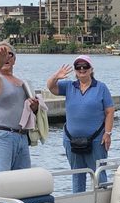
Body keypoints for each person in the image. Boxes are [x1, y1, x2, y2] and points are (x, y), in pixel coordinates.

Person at [47, 55, 114, 192]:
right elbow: (51, 87)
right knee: (77, 175)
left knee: (99, 175)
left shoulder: (101, 88)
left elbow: (110, 111)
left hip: (96, 141)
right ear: (75, 70)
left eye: (85, 66)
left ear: (91, 69)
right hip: (71, 140)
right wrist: (56, 76)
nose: (82, 69)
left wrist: (107, 133)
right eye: (78, 67)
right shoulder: (69, 86)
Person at [0, 42, 38, 172]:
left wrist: (35, 107)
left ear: (14, 59)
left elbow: (30, 112)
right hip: (3, 135)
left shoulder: (22, 83)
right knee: (2, 179)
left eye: (9, 54)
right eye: (0, 55)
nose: (5, 57)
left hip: (22, 136)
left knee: (23, 180)